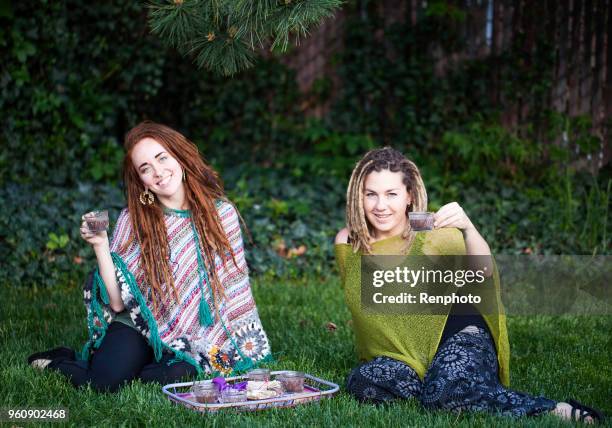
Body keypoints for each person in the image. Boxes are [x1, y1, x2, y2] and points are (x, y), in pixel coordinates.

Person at [334, 147, 603, 423]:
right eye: (371, 194)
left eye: (391, 194)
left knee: (444, 396)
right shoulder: (348, 242)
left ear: (409, 196)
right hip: (402, 355)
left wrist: (468, 228)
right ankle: (443, 383)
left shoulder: (428, 227)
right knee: (362, 380)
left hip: (460, 333)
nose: (380, 206)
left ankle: (554, 409)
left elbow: (483, 272)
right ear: (359, 196)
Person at [27, 121, 272, 392]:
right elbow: (119, 304)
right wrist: (100, 245)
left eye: (162, 158)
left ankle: (136, 362)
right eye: (145, 168)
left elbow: (232, 291)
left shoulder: (221, 215)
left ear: (179, 156)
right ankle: (59, 361)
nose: (158, 172)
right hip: (138, 321)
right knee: (104, 384)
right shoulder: (132, 221)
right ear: (140, 180)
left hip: (190, 334)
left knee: (177, 375)